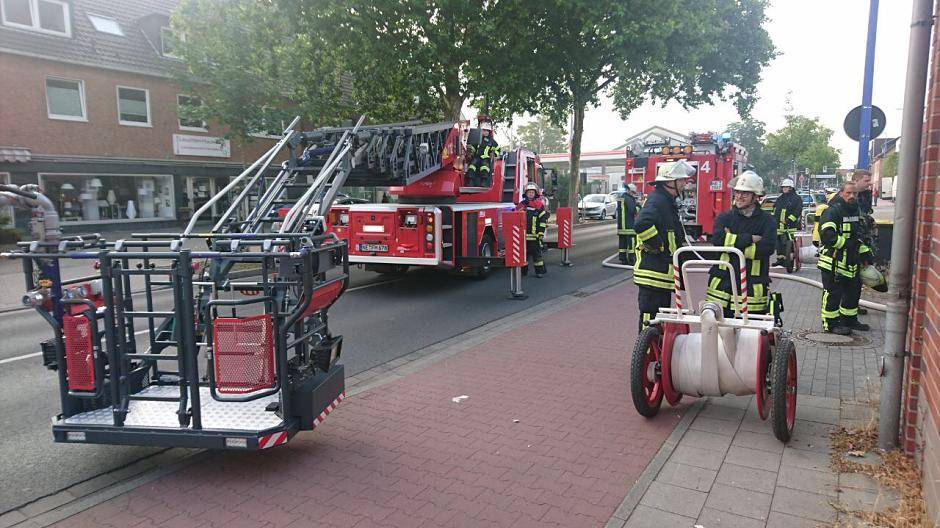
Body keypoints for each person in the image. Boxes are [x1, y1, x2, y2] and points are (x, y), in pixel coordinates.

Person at [706, 171, 780, 323]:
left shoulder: (767, 221)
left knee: (750, 335)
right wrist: (750, 239)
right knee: (716, 331)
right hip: (721, 284)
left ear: (755, 197)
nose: (738, 197)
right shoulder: (725, 217)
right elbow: (718, 241)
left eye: (745, 194)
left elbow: (766, 248)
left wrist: (732, 242)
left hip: (752, 286)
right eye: (737, 192)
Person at [633, 160, 695, 331]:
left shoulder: (666, 201)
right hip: (653, 273)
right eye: (681, 180)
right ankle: (645, 355)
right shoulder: (658, 200)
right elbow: (641, 224)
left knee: (659, 319)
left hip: (660, 274)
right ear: (670, 182)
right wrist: (659, 246)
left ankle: (655, 352)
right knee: (650, 319)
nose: (684, 183)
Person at [818, 181, 873, 335]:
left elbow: (858, 237)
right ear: (841, 193)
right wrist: (846, 244)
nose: (851, 196)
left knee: (853, 291)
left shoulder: (856, 211)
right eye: (848, 193)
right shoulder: (832, 211)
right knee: (833, 293)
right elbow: (827, 236)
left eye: (854, 193)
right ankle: (830, 324)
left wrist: (864, 252)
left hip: (851, 262)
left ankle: (848, 320)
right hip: (833, 262)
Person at [518, 182, 549, 277]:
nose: (531, 194)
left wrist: (540, 232)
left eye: (532, 192)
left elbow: (543, 220)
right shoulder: (521, 205)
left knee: (537, 255)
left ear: (535, 194)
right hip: (523, 236)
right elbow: (516, 217)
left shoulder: (539, 205)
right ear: (526, 194)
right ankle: (523, 272)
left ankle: (539, 272)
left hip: (535, 235)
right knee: (523, 255)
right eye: (529, 192)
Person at [773, 178, 803, 266]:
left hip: (790, 225)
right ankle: (780, 260)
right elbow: (775, 210)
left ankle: (789, 260)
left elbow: (798, 210)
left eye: (786, 187)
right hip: (779, 225)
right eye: (783, 187)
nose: (784, 189)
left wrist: (790, 219)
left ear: (791, 188)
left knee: (788, 243)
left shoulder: (796, 198)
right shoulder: (780, 198)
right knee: (778, 243)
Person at [466, 117, 501, 188]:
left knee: (484, 167)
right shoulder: (477, 138)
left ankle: (484, 182)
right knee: (472, 165)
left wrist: (494, 154)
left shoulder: (491, 141)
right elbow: (473, 147)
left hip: (486, 158)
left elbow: (497, 149)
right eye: (484, 130)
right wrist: (470, 152)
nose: (485, 132)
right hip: (476, 157)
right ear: (481, 130)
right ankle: (470, 181)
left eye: (487, 131)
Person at [616, 183, 640, 265]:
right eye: (633, 193)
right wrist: (639, 206)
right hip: (629, 225)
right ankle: (631, 259)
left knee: (622, 243)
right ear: (630, 191)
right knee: (632, 243)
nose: (633, 194)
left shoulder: (621, 197)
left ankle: (623, 259)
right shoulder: (629, 198)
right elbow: (633, 210)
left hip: (621, 226)